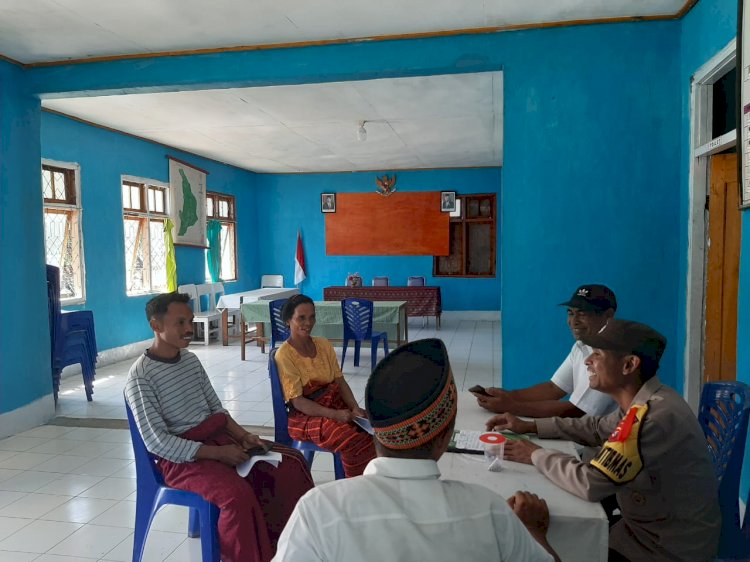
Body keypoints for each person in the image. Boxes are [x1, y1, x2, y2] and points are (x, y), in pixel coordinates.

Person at [274, 338, 560, 562]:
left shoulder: (318, 511)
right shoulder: (490, 511)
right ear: (445, 438)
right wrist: (534, 531)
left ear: (372, 428)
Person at [488, 320, 720, 561]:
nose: (588, 361)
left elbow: (590, 482)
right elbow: (597, 428)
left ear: (629, 364)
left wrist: (535, 454)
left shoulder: (650, 419)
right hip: (644, 529)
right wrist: (530, 426)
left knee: (533, 538)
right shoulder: (649, 398)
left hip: (662, 549)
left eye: (597, 355)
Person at [124, 292, 314, 562]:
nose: (189, 329)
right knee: (236, 496)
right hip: (181, 460)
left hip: (218, 438)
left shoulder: (190, 360)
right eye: (180, 323)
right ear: (156, 326)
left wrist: (244, 436)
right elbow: (158, 444)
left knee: (289, 464)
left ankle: (290, 550)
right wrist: (218, 454)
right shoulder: (140, 377)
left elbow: (217, 410)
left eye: (190, 321)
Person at [474, 284, 617, 417]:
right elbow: (553, 388)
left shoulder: (612, 356)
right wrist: (508, 396)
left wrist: (511, 407)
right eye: (571, 313)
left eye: (583, 314)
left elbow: (578, 411)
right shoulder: (581, 346)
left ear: (608, 315)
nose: (574, 321)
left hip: (601, 441)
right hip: (579, 431)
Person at [274, 294, 375, 477]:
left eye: (312, 317)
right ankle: (354, 485)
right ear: (288, 321)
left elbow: (340, 381)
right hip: (306, 416)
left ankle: (368, 481)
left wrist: (354, 407)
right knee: (350, 439)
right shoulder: (284, 355)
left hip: (334, 405)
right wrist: (335, 415)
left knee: (370, 430)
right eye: (301, 318)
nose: (308, 323)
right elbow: (298, 402)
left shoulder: (323, 345)